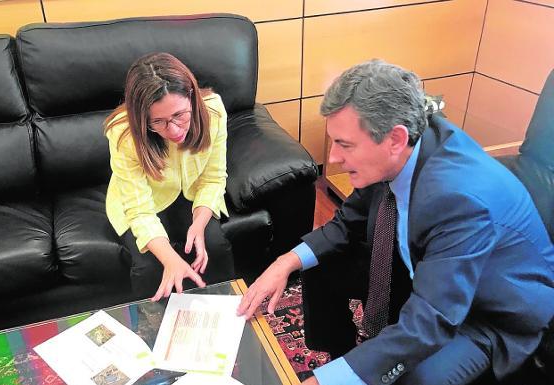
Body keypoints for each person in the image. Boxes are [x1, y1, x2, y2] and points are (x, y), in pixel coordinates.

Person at [237, 59, 554, 385]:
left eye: (345, 145)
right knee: (320, 264)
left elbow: (431, 320)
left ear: (395, 139)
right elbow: (348, 221)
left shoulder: (459, 198)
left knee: (419, 378)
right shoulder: (402, 146)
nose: (332, 158)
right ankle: (343, 360)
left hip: (489, 311)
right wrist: (284, 262)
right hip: (427, 266)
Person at [105, 52, 234, 302]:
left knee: (214, 248)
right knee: (150, 267)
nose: (174, 130)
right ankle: (153, 329)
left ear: (192, 98)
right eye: (159, 122)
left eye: (179, 115)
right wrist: (171, 260)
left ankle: (224, 315)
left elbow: (213, 178)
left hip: (190, 194)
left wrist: (200, 222)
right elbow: (139, 210)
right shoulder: (123, 132)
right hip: (145, 202)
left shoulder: (214, 111)